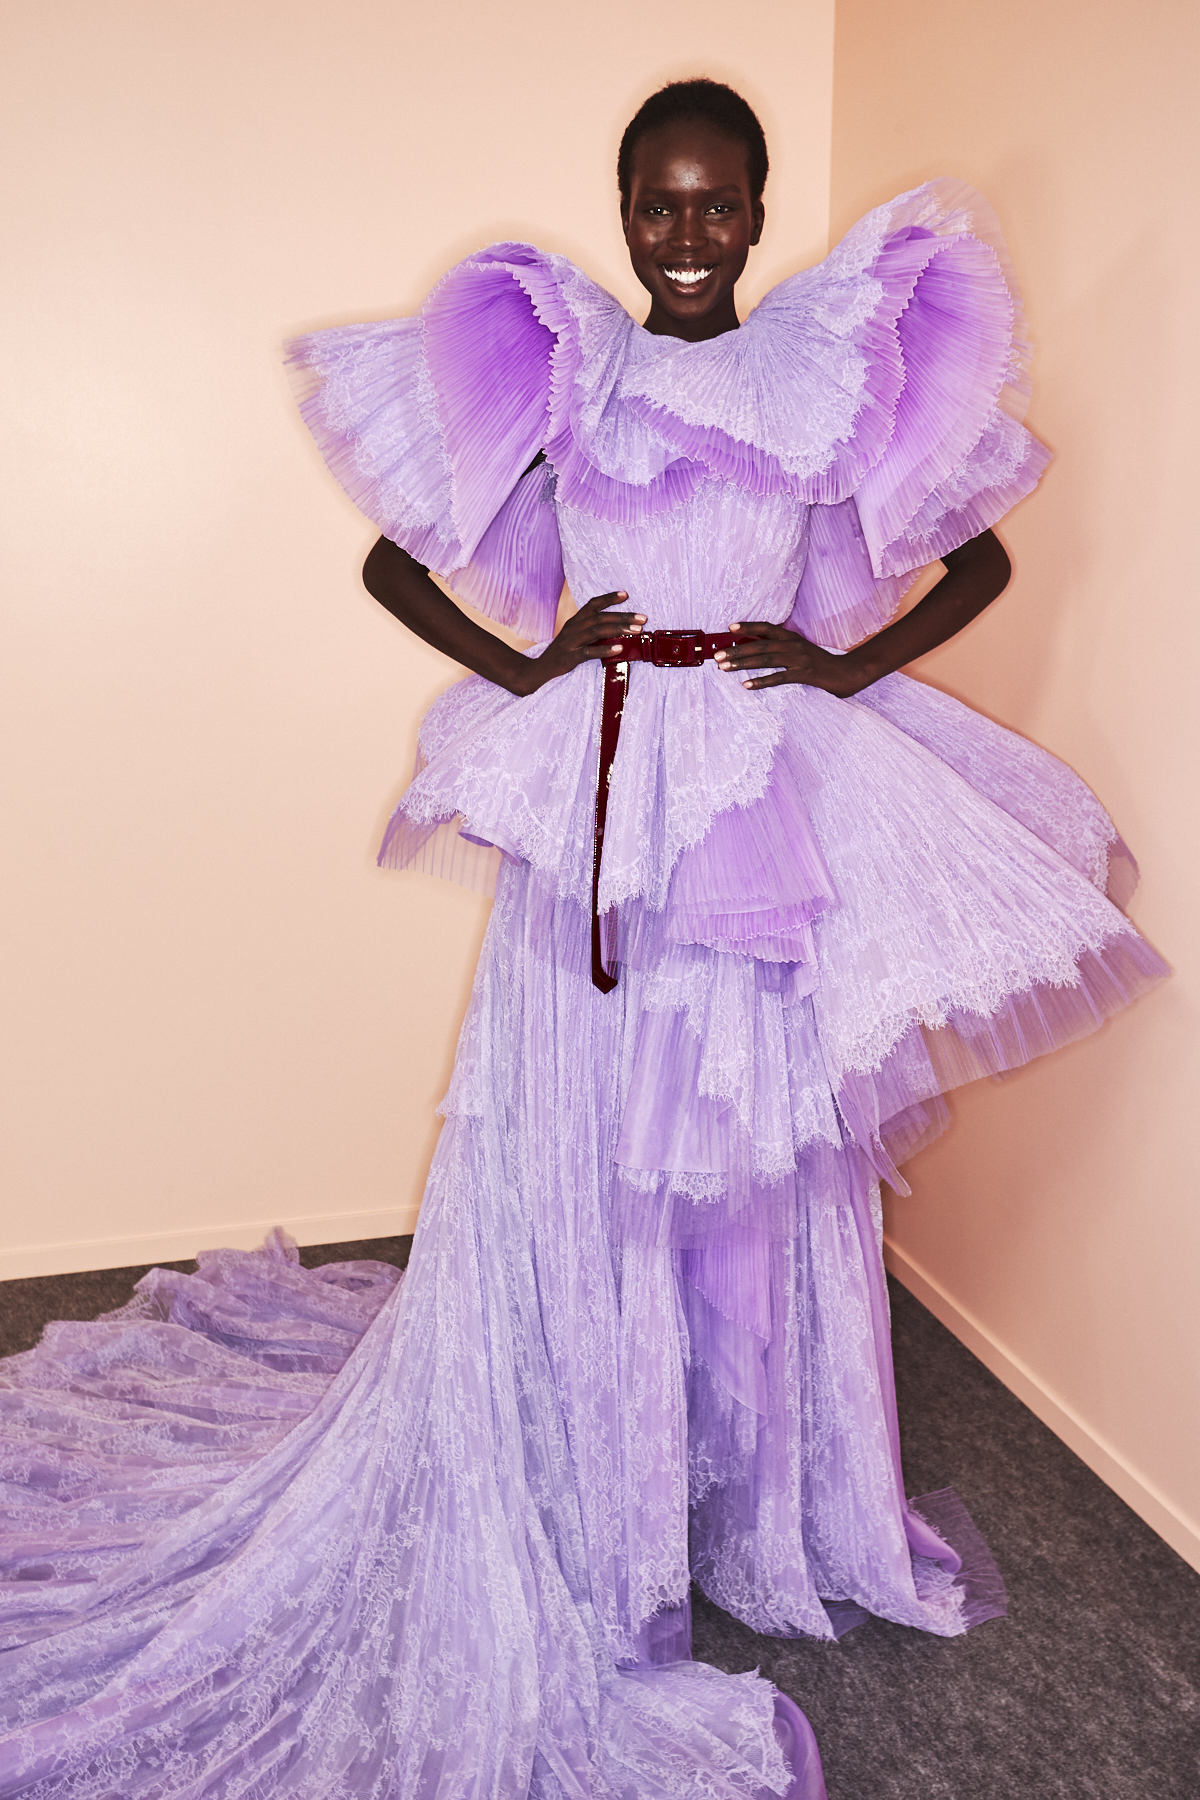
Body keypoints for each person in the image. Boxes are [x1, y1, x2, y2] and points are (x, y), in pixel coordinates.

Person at [0, 78, 1167, 1800]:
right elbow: (409, 565)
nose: (685, 236)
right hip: (609, 803)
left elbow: (974, 558)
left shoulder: (816, 384)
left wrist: (841, 666)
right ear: (621, 210)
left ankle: (754, 1488)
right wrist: (537, 666)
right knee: (583, 1149)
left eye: (716, 205)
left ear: (760, 216)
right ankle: (588, 1487)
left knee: (758, 1162)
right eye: (656, 204)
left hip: (766, 799)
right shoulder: (575, 380)